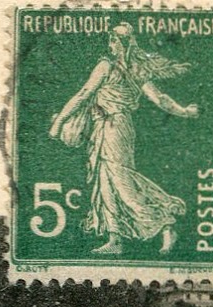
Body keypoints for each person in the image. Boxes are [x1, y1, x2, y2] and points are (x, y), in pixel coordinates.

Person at [49, 23, 199, 255]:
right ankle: (115, 238)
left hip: (114, 127)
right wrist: (185, 111)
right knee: (105, 182)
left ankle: (165, 223)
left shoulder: (106, 66)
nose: (110, 44)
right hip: (108, 126)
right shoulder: (136, 69)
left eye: (113, 40)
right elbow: (161, 99)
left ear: (117, 43)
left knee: (121, 181)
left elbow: (83, 94)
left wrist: (59, 122)